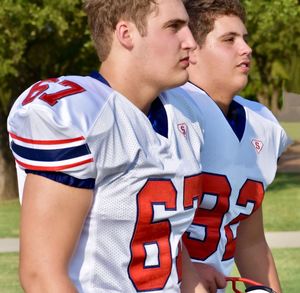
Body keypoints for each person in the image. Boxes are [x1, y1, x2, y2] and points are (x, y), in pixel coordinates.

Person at [7, 0, 208, 292]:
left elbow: (166, 237)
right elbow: (42, 275)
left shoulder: (185, 114)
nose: (190, 41)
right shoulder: (80, 115)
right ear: (126, 34)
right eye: (173, 27)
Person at [175, 0, 290, 292]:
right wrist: (185, 269)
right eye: (229, 39)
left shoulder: (261, 123)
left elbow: (249, 239)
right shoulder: (165, 112)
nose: (246, 48)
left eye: (245, 38)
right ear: (191, 49)